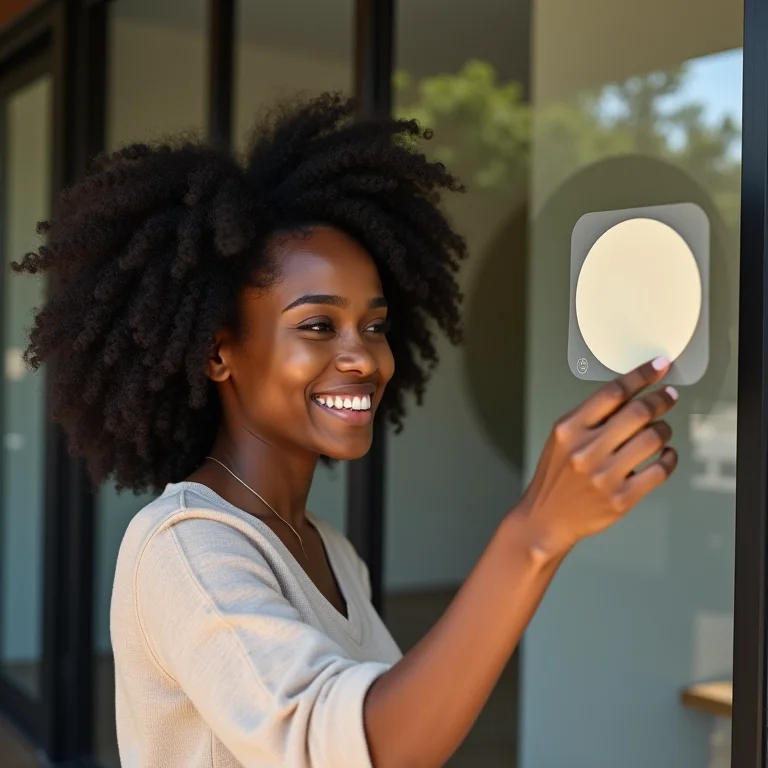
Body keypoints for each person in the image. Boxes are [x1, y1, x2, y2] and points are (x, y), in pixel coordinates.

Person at [13, 93, 678, 768]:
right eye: (317, 326)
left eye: (375, 325)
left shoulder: (328, 550)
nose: (363, 356)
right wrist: (534, 535)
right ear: (218, 353)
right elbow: (351, 748)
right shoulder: (184, 548)